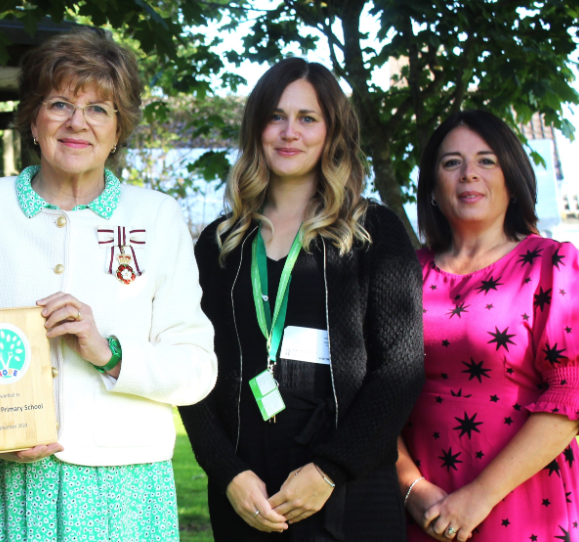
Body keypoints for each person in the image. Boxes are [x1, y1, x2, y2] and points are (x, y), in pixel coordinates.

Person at [0, 28, 217, 542]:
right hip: (7, 480)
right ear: (33, 119)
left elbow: (197, 369)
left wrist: (110, 352)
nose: (78, 122)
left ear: (119, 129)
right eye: (59, 103)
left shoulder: (159, 217)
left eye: (100, 109)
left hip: (125, 488)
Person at [177, 58, 424, 542]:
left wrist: (331, 470)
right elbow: (192, 367)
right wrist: (226, 472)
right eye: (276, 116)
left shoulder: (374, 233)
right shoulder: (218, 244)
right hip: (250, 500)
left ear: (331, 131)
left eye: (307, 118)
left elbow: (400, 369)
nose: (289, 132)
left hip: (350, 495)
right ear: (256, 129)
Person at [397, 110, 579, 542]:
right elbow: (374, 391)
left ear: (512, 179)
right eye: (451, 162)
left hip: (526, 498)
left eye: (486, 160)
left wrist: (479, 496)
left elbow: (572, 394)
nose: (468, 174)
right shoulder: (402, 274)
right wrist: (412, 490)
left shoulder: (555, 264)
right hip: (421, 505)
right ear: (432, 188)